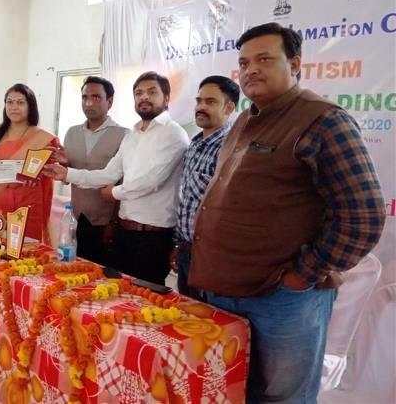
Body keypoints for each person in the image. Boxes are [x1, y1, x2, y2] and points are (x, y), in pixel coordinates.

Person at [188, 23, 386, 403]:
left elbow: (364, 216)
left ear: (295, 64)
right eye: (244, 63)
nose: (250, 70)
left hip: (282, 300)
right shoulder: (245, 120)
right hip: (224, 289)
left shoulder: (323, 120)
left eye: (264, 59)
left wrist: (302, 276)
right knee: (228, 390)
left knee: (283, 397)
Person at [45, 72, 189, 285]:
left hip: (153, 237)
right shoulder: (133, 135)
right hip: (124, 233)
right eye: (138, 93)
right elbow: (108, 174)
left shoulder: (173, 134)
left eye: (152, 92)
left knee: (146, 298)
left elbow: (150, 181)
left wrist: (113, 193)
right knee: (115, 293)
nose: (144, 97)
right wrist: (66, 174)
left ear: (166, 98)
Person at [170, 75, 239, 300]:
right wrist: (178, 245)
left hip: (212, 256)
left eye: (210, 102)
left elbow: (229, 208)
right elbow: (187, 200)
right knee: (186, 313)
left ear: (229, 108)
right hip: (186, 250)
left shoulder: (232, 150)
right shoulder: (195, 144)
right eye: (199, 101)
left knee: (210, 316)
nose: (201, 107)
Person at [0, 83, 58, 243]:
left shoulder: (43, 138)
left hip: (27, 204)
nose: (14, 107)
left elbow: (48, 172)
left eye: (20, 102)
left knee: (25, 251)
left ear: (30, 106)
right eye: (10, 102)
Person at [61, 76, 128, 265]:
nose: (89, 102)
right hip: (75, 219)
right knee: (72, 271)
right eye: (85, 97)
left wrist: (113, 224)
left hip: (105, 223)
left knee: (101, 276)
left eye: (96, 97)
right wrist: (62, 165)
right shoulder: (72, 133)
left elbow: (124, 184)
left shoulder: (124, 135)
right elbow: (67, 177)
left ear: (110, 102)